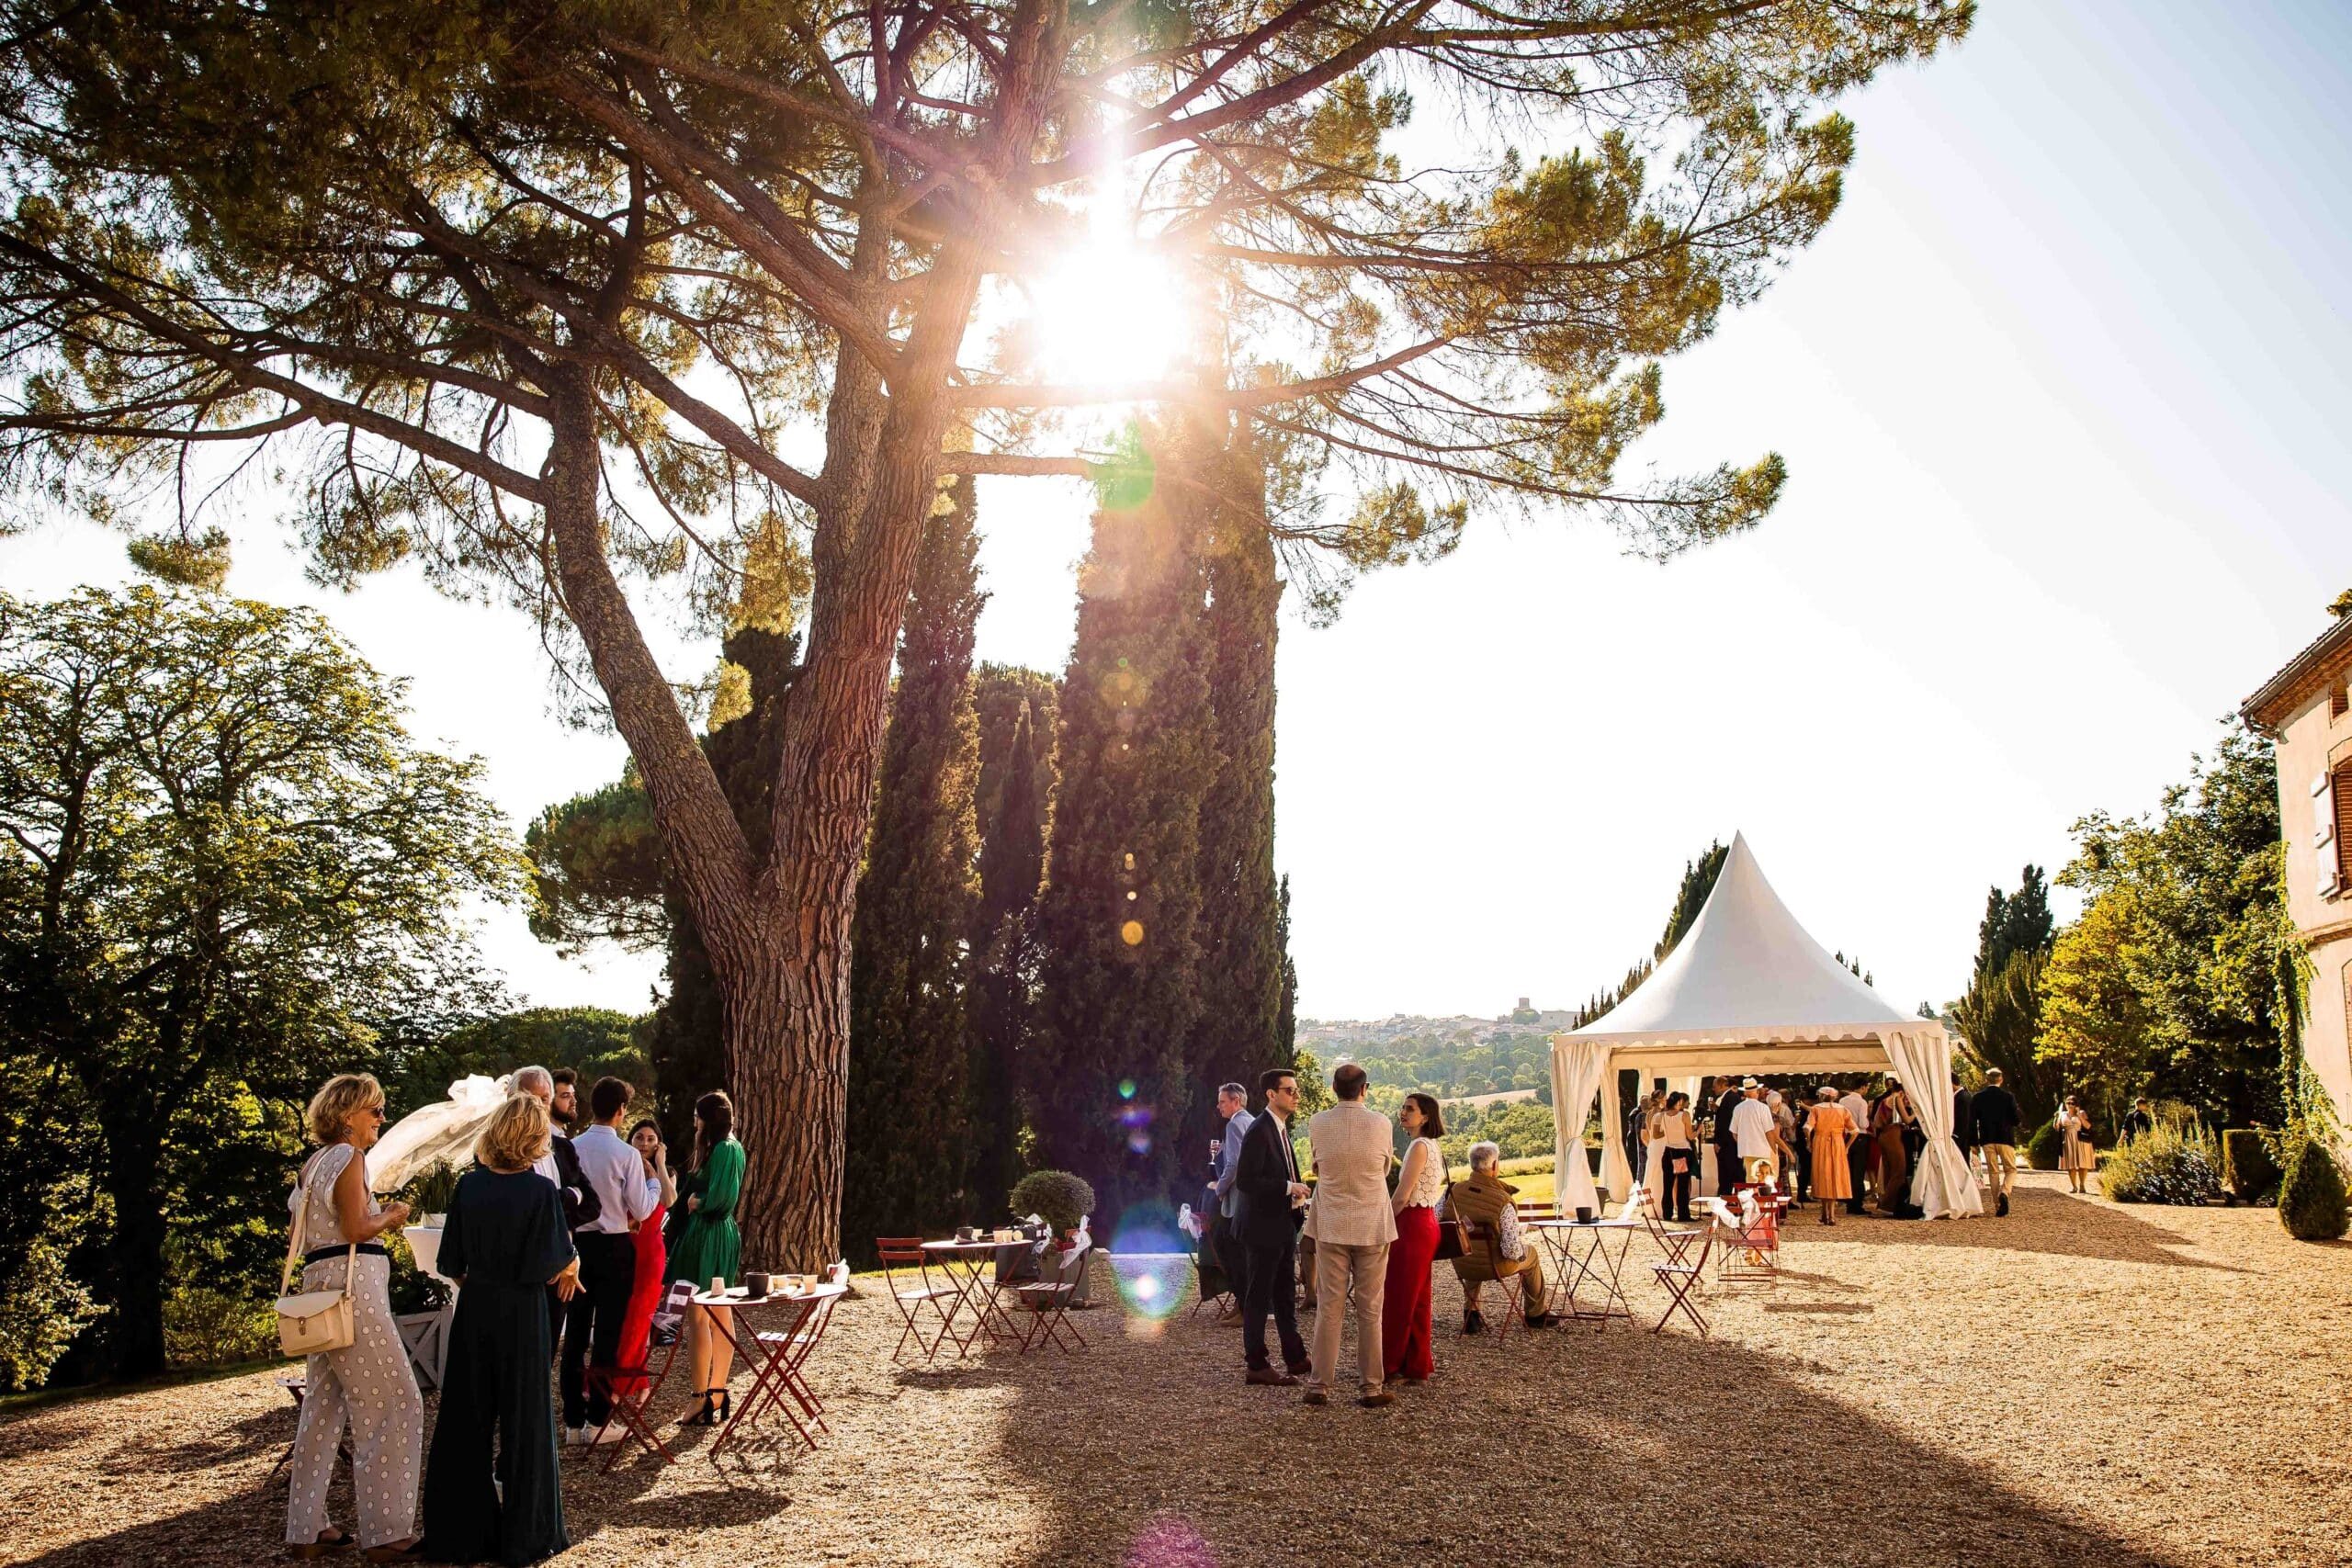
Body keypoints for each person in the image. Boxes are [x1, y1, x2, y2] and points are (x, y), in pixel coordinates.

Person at [420, 1092, 580, 1567]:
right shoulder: (539, 1192)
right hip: (524, 1313)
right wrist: (568, 1264)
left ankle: (460, 1535)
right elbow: (552, 1262)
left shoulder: (469, 1188)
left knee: (466, 1421)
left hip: (477, 1309)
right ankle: (527, 1536)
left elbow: (451, 1262)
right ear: (533, 1138)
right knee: (526, 1421)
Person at [285, 1074, 423, 1562]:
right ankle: (386, 1532)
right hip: (354, 1289)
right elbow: (355, 1227)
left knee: (322, 1408)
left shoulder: (310, 1166)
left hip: (318, 1290)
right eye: (375, 1111)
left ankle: (306, 1528)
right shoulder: (349, 1157)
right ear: (348, 1116)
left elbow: (304, 1235)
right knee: (395, 1403)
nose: (381, 1119)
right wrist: (392, 1214)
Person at [559, 1077, 661, 1445]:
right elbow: (643, 1209)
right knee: (607, 1334)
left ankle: (572, 1420)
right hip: (615, 1246)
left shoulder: (570, 1148)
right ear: (621, 1111)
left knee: (573, 1336)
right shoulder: (626, 1155)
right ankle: (599, 1418)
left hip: (577, 1247)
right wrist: (653, 1186)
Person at [1302, 1062, 1397, 1408]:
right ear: (1364, 1089)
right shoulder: (1381, 1123)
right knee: (1371, 1309)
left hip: (1332, 1222)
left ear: (1333, 1088)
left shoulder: (1318, 1122)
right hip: (1371, 1222)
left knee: (1330, 1307)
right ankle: (1371, 1386)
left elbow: (1317, 1163)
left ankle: (1319, 1385)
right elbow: (1385, 1166)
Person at [666, 1090, 745, 1427]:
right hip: (710, 1235)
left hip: (710, 1237)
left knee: (702, 1316)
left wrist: (698, 1202)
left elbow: (721, 1201)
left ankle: (704, 1395)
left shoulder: (726, 1149)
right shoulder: (722, 1149)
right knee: (715, 1316)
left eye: (697, 1117)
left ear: (705, 1119)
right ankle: (715, 1392)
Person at [1231, 1067, 1313, 1385]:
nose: (1295, 1096)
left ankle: (1295, 1357)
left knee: (1284, 1294)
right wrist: (1287, 1188)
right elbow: (1246, 1181)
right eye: (1289, 1090)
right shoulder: (1259, 1129)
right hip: (1262, 1229)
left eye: (1296, 1090)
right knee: (1259, 1297)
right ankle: (1257, 1364)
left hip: (1280, 1227)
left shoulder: (1279, 1128)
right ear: (1271, 1094)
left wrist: (1295, 1189)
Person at [1444, 1141, 1554, 1329]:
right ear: (1494, 1166)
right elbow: (1511, 1250)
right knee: (1531, 1254)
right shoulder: (1503, 1201)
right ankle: (1535, 1314)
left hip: (1463, 1266)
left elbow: (1439, 1221)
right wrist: (1521, 1251)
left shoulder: (1451, 1192)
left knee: (1470, 1248)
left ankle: (1471, 1314)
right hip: (1495, 1267)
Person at [1380, 1093, 1445, 1384]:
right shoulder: (1431, 1146)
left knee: (1399, 1297)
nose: (1403, 1113)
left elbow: (1402, 1196)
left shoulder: (1419, 1147)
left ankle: (1390, 1364)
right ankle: (1416, 1364)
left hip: (1412, 1224)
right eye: (1403, 1108)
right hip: (1426, 1224)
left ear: (1426, 1116)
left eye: (1410, 1109)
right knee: (1418, 1299)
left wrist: (1382, 1224)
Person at [614, 1118, 675, 1380]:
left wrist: (659, 1163)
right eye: (639, 1137)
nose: (645, 1143)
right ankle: (615, 1374)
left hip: (650, 1252)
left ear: (659, 1143)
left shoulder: (667, 1170)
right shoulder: (622, 1165)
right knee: (620, 1313)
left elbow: (670, 1200)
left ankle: (629, 1378)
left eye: (651, 1139)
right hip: (623, 1247)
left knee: (641, 1315)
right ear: (630, 1140)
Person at [511, 1066, 600, 1233]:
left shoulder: (563, 1147)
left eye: (544, 1099)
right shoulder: (498, 1151)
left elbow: (593, 1203)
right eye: (529, 1099)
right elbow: (522, 1206)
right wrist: (571, 1195)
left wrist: (559, 1227)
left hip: (559, 1252)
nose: (537, 1106)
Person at [1209, 1080, 1254, 1322]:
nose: (1219, 1106)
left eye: (1222, 1101)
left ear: (1236, 1101)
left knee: (1227, 1249)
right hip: (1248, 1200)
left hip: (1236, 1200)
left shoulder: (1235, 1124)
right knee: (1235, 1251)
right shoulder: (1251, 1121)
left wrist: (1220, 1188)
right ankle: (1241, 1303)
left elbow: (1234, 1164)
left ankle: (1245, 1306)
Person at [1971, 1067, 2022, 1215]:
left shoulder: (1978, 1097)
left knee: (1993, 1172)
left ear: (1986, 1079)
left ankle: (1997, 1205)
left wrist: (1974, 1142)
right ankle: (2005, 1192)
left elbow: (1972, 1122)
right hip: (2005, 1138)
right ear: (2001, 1079)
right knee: (2011, 1169)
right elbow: (2016, 1119)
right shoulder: (2008, 1097)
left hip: (1987, 1139)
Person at [1805, 1086, 1859, 1225]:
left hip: (1820, 1142)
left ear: (1821, 1096)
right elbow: (1855, 1131)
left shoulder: (1816, 1109)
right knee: (1835, 1176)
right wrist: (1846, 1146)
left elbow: (1807, 1127)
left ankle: (1825, 1213)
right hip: (1838, 1143)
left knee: (1823, 1176)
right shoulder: (1842, 1110)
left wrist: (1809, 1142)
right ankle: (1831, 1215)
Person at [1645, 1091, 1698, 1222]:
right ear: (1678, 1102)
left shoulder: (1660, 1116)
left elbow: (1656, 1134)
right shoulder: (1684, 1115)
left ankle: (1667, 1213)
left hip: (1668, 1151)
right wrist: (1699, 1130)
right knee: (1682, 1184)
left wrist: (1667, 1132)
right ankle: (1683, 1213)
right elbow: (1690, 1136)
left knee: (1667, 1184)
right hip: (1681, 1150)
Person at [1872, 1081, 1916, 1217]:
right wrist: (1916, 1112)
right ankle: (1886, 1205)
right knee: (1899, 1171)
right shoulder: (1897, 1098)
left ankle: (1886, 1204)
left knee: (1889, 1171)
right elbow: (1907, 1120)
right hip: (1893, 1134)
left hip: (1884, 1135)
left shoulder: (1886, 1100)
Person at [1730, 1080, 1776, 1187]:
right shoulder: (1763, 1108)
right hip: (1763, 1150)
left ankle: (1753, 1202)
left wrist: (1743, 1142)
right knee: (1765, 1180)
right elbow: (1769, 1132)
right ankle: (1764, 1201)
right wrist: (1774, 1150)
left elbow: (1734, 1132)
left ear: (1745, 1093)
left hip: (1747, 1150)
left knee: (1751, 1180)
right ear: (1757, 1091)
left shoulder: (1738, 1108)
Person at [1838, 1083, 1871, 1215]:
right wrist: (1868, 1122)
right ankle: (1857, 1203)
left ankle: (1848, 1200)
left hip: (1846, 1136)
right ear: (1862, 1087)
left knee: (1849, 1170)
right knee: (1858, 1171)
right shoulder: (1862, 1102)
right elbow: (1863, 1123)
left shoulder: (1842, 1101)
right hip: (1860, 1137)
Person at [1710, 1076, 1743, 1199]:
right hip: (1729, 1142)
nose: (1713, 1089)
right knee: (1728, 1173)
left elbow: (1726, 1123)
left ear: (1722, 1085)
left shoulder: (1731, 1098)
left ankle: (1726, 1200)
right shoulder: (1730, 1098)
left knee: (1727, 1173)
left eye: (1715, 1086)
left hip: (1728, 1143)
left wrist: (1719, 1141)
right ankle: (1726, 1199)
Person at [2058, 1095, 2097, 1193]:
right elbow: (2057, 1127)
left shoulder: (2082, 1113)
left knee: (2083, 1164)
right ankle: (2074, 1186)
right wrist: (2057, 1117)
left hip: (2081, 1140)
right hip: (2068, 1139)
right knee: (2070, 1165)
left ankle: (2082, 1185)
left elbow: (2088, 1126)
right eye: (2068, 1103)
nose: (2070, 1105)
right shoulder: (2062, 1114)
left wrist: (2079, 1115)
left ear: (2076, 1104)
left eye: (2072, 1103)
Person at [1952, 1072, 1978, 1181]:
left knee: (1962, 1166)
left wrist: (1956, 1137)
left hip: (1961, 1139)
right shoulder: (1963, 1096)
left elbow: (1964, 1121)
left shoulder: (1962, 1098)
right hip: (1963, 1138)